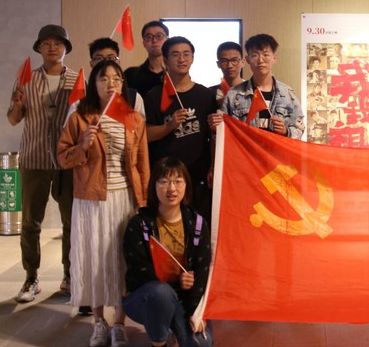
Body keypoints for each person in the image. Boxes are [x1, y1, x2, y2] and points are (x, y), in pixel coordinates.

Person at [57, 60, 150, 347]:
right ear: (93, 84)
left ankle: (119, 324)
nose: (111, 84)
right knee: (95, 258)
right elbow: (62, 158)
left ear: (122, 84)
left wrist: (143, 202)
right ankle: (98, 321)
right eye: (104, 79)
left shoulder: (133, 119)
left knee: (123, 260)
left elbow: (142, 164)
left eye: (116, 79)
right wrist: (83, 145)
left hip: (125, 200)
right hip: (91, 200)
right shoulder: (80, 117)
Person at [122, 158, 214, 347]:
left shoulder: (197, 223)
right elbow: (137, 271)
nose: (171, 189)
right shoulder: (140, 224)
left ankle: (169, 326)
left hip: (181, 299)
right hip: (144, 297)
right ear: (154, 186)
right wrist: (175, 279)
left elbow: (201, 271)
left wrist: (196, 312)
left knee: (200, 345)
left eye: (178, 182)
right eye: (164, 182)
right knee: (160, 292)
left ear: (186, 186)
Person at [7, 24, 75, 303]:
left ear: (65, 48)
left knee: (71, 222)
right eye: (46, 43)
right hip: (33, 157)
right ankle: (31, 277)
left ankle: (70, 275)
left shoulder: (76, 80)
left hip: (66, 160)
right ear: (39, 48)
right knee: (30, 222)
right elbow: (13, 119)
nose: (52, 48)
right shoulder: (26, 79)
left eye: (58, 43)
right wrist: (17, 104)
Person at [144, 36, 219, 221]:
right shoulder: (154, 96)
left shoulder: (205, 94)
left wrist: (212, 166)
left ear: (192, 58)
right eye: (175, 55)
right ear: (165, 60)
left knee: (199, 223)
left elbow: (212, 137)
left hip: (198, 173)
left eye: (186, 54)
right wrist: (169, 126)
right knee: (168, 222)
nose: (182, 59)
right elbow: (145, 135)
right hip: (166, 175)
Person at [222, 33, 305, 139]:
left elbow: (300, 128)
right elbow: (224, 130)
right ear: (247, 60)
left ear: (274, 58)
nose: (260, 60)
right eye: (255, 55)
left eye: (266, 55)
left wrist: (286, 131)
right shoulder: (234, 94)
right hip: (247, 149)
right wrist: (216, 126)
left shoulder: (288, 94)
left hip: (275, 149)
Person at [124, 21, 168, 97]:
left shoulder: (175, 74)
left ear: (167, 40)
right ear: (144, 43)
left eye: (159, 36)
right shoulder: (130, 75)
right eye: (149, 37)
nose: (154, 40)